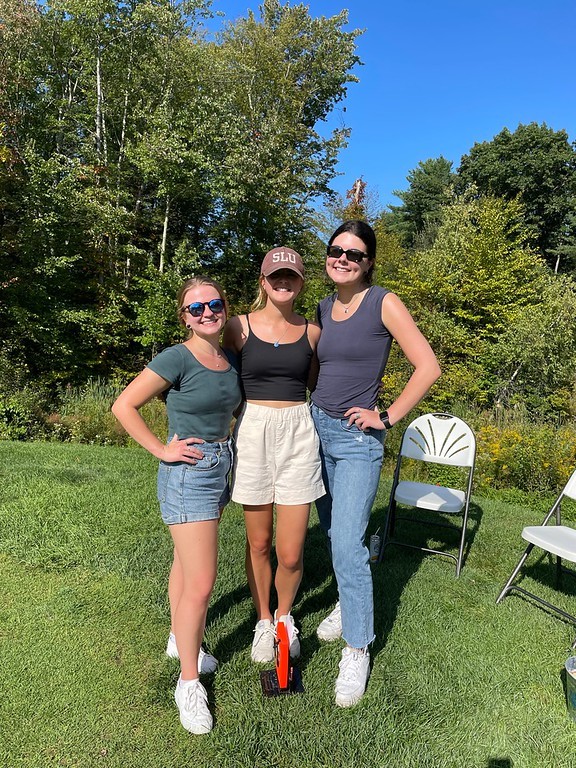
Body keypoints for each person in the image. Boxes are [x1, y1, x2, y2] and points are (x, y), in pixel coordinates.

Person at [310, 220, 441, 708]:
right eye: (336, 250)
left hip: (356, 439)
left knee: (348, 543)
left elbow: (428, 366)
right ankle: (347, 604)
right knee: (335, 534)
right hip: (315, 430)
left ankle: (357, 647)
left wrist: (386, 416)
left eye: (354, 254)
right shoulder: (322, 307)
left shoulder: (383, 302)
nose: (342, 259)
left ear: (368, 263)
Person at [112, 276, 242, 735]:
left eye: (214, 304)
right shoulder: (177, 357)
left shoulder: (229, 358)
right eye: (196, 308)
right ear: (184, 317)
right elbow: (124, 405)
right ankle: (188, 682)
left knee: (185, 567)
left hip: (221, 465)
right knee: (202, 583)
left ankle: (178, 638)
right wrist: (161, 449)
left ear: (225, 307)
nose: (207, 313)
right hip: (190, 471)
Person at [223, 247, 324, 664]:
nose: (284, 282)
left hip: (298, 431)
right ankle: (264, 620)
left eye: (291, 276)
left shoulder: (313, 332)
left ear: (301, 283)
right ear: (263, 281)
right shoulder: (238, 327)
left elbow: (319, 385)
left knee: (291, 552)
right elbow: (219, 376)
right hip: (253, 431)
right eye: (276, 276)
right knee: (260, 542)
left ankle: (285, 617)